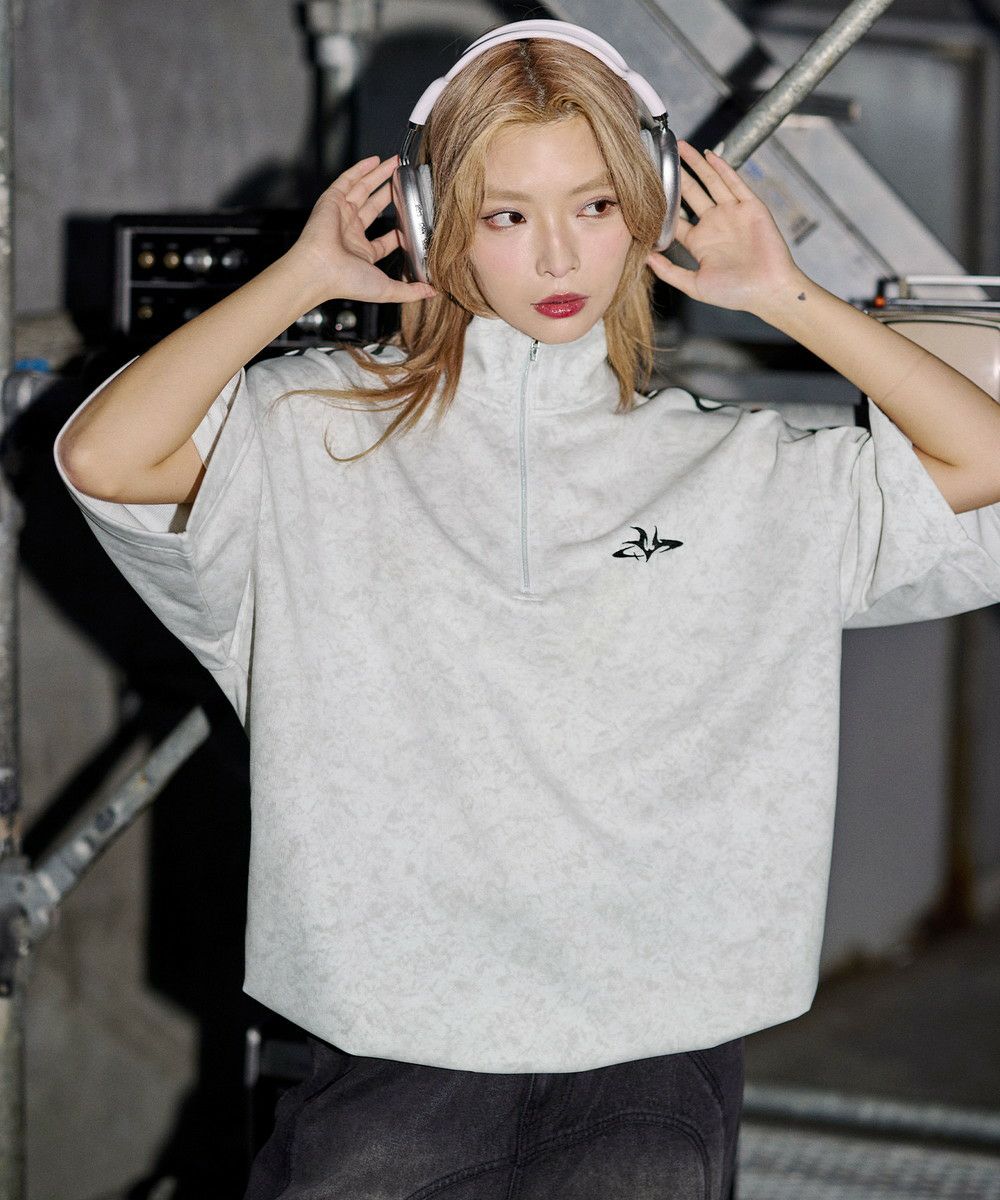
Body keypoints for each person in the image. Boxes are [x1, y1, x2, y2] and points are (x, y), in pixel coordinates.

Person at [53, 19, 1000, 1200]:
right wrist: (301, 275)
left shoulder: (736, 467)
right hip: (397, 1049)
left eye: (594, 205)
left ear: (646, 208)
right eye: (505, 215)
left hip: (653, 1051)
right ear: (432, 219)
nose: (558, 254)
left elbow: (982, 459)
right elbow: (104, 458)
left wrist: (785, 293)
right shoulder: (306, 433)